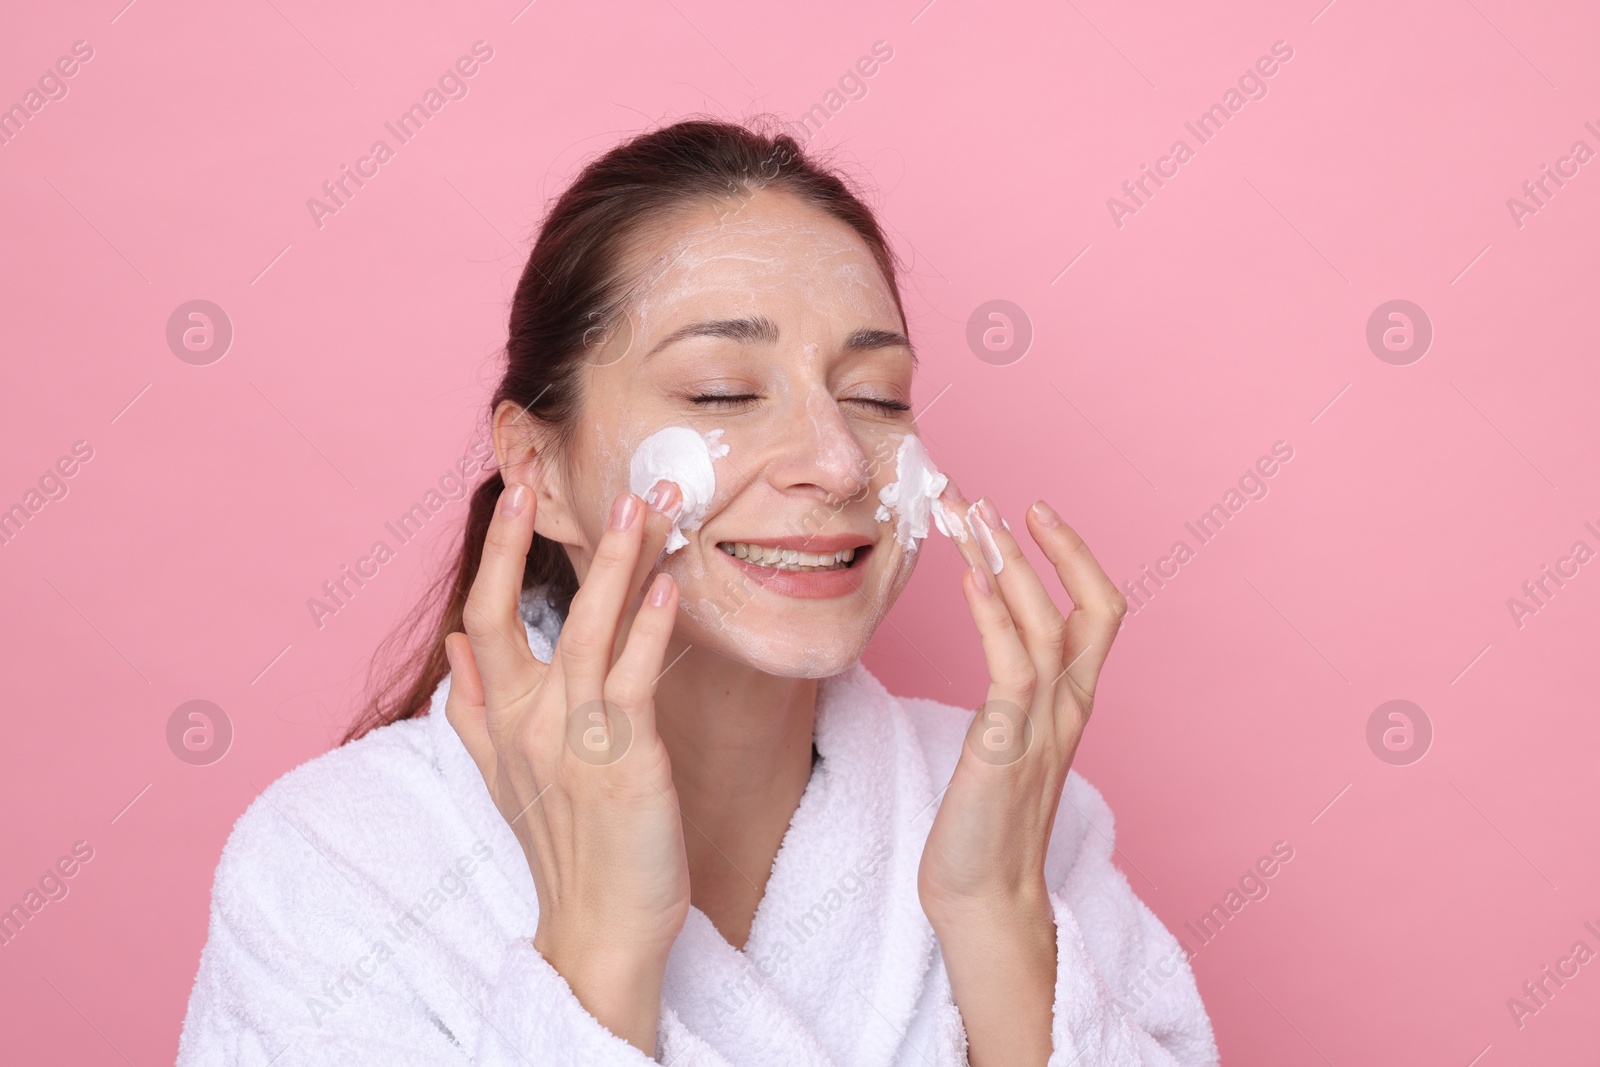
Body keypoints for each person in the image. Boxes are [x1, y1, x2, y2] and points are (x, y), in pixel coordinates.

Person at [177, 117, 1218, 1066]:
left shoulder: (1015, 810)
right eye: (722, 392)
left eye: (876, 397)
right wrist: (598, 949)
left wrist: (996, 917)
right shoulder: (343, 864)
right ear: (535, 467)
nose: (840, 463)